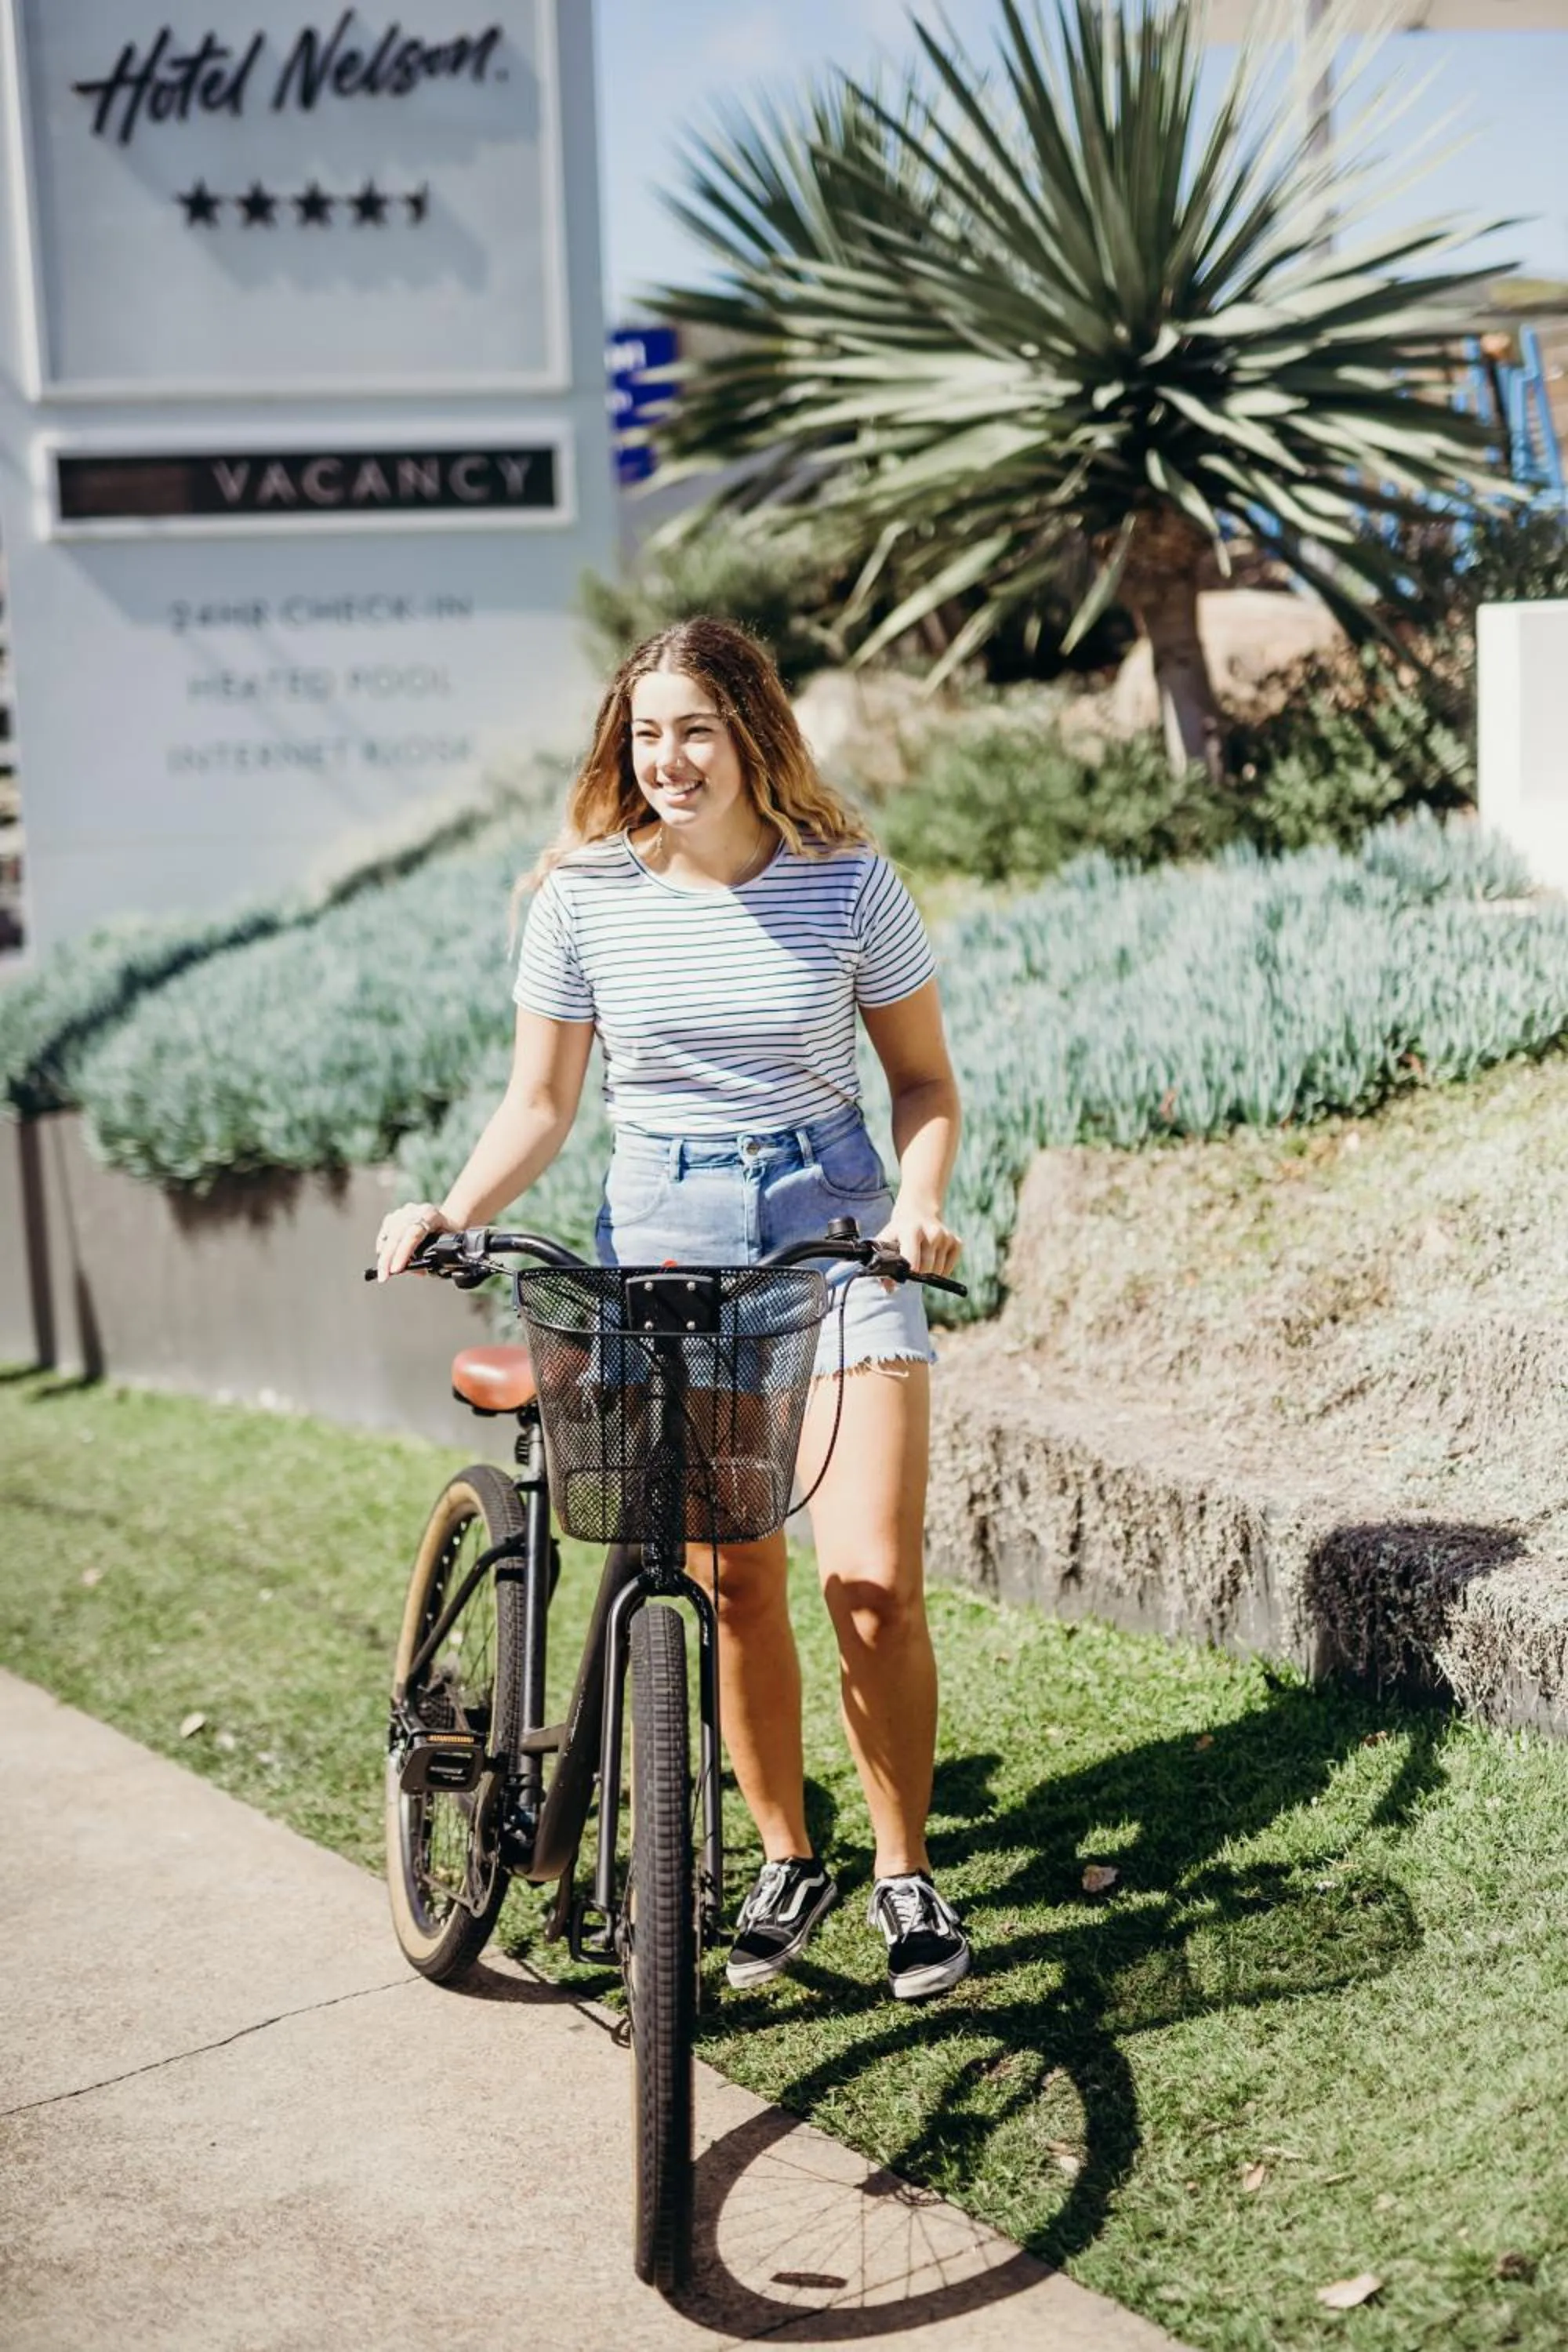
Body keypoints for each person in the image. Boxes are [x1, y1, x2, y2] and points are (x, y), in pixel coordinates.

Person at [374, 618, 969, 2001]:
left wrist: (919, 1202)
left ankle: (904, 1876)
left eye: (697, 728)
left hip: (832, 1232)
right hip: (662, 1240)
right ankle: (787, 1858)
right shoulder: (583, 897)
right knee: (735, 1580)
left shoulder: (848, 884)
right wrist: (451, 1210)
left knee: (872, 1585)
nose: (670, 758)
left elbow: (924, 1084)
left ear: (752, 732)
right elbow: (541, 1102)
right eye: (647, 733)